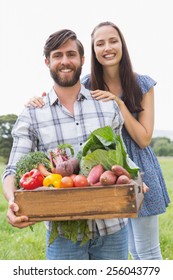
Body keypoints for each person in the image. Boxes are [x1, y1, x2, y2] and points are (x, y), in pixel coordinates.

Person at [27, 22, 170, 260]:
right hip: (100, 171)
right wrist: (40, 99)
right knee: (125, 247)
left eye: (113, 41)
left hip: (137, 167)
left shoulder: (142, 84)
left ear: (122, 44)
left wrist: (119, 103)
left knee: (146, 250)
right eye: (100, 43)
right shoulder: (86, 84)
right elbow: (61, 95)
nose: (107, 48)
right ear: (92, 52)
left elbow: (144, 139)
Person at [2, 28, 130, 260]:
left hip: (114, 230)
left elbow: (122, 159)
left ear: (82, 60)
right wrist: (12, 200)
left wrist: (135, 179)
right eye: (57, 55)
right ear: (47, 62)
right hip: (64, 235)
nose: (65, 61)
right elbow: (12, 169)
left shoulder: (106, 106)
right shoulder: (32, 115)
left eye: (71, 54)